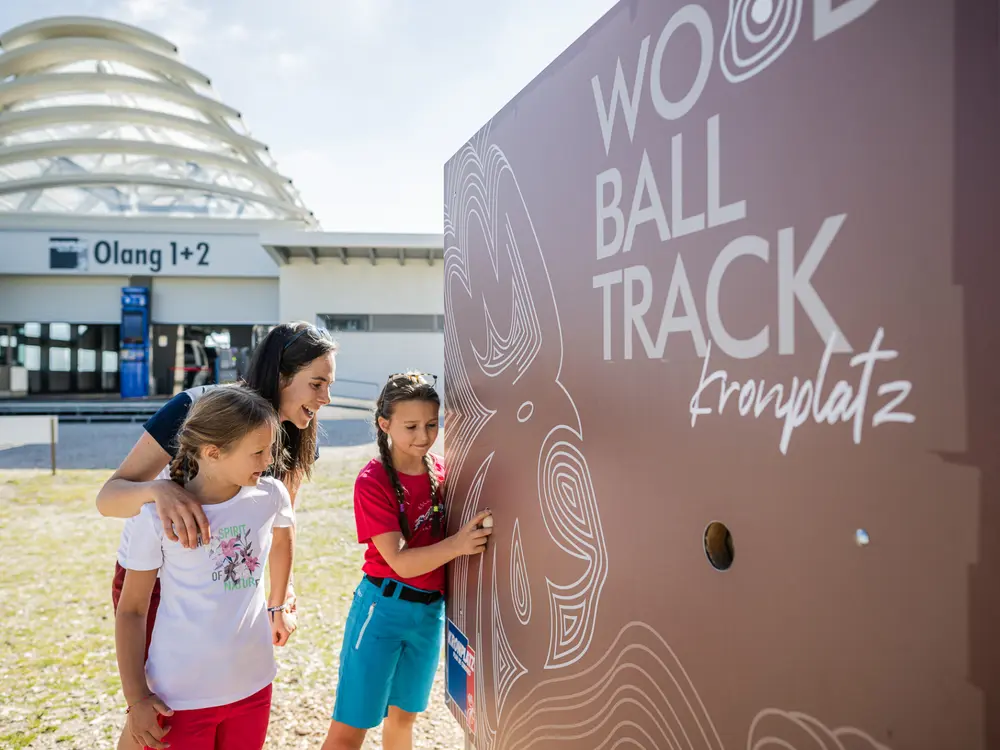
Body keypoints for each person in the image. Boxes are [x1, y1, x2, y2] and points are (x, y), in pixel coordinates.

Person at [98, 321, 336, 749]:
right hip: (158, 577)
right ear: (282, 377)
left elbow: (279, 528)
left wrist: (279, 599)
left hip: (229, 583)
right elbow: (109, 497)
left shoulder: (297, 437)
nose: (326, 398)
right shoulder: (199, 408)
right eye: (316, 384)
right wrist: (158, 491)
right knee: (154, 713)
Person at [115, 386, 297, 750]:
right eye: (258, 452)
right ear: (213, 452)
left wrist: (278, 603)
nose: (269, 459)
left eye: (271, 449)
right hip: (178, 698)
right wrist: (136, 700)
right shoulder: (154, 517)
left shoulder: (271, 494)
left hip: (254, 686)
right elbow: (132, 611)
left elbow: (282, 538)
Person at [320, 371, 494, 750]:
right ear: (385, 424)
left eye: (432, 424)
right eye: (411, 426)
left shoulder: (443, 471)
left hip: (428, 616)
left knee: (403, 719)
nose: (423, 436)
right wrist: (459, 545)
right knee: (351, 728)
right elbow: (401, 562)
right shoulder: (373, 480)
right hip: (382, 610)